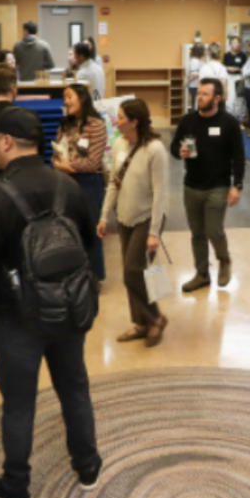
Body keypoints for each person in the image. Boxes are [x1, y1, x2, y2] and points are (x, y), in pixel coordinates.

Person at [0, 107, 102, 498]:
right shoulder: (68, 188)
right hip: (68, 312)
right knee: (75, 389)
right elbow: (88, 248)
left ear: (7, 142)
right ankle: (88, 466)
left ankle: (17, 485)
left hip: (15, 320)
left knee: (20, 405)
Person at [98, 99, 170, 347]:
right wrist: (104, 215)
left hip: (146, 219)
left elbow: (161, 194)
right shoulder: (118, 144)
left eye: (119, 117)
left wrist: (154, 233)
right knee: (133, 273)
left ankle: (155, 319)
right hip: (124, 219)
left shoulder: (155, 149)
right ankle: (142, 323)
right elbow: (113, 183)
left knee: (131, 272)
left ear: (134, 121)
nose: (115, 121)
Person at [171, 78, 246, 291]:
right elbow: (174, 145)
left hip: (218, 186)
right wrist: (179, 151)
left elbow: (238, 157)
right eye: (199, 93)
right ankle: (202, 274)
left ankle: (224, 259)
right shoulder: (188, 121)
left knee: (214, 230)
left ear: (217, 98)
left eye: (204, 94)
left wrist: (237, 185)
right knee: (197, 234)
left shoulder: (229, 123)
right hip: (191, 185)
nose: (199, 98)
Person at [53, 84, 108, 282]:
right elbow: (55, 156)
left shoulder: (97, 125)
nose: (66, 101)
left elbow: (93, 163)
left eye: (69, 97)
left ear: (82, 98)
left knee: (91, 231)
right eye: (64, 98)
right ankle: (75, 276)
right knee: (68, 231)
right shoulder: (64, 125)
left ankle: (95, 276)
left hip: (89, 184)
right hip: (65, 183)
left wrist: (67, 166)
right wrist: (61, 166)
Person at [187, 43, 205, 110]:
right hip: (194, 85)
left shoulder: (196, 60)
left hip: (195, 85)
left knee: (195, 105)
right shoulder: (195, 61)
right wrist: (205, 72)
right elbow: (193, 74)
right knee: (195, 106)